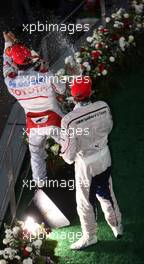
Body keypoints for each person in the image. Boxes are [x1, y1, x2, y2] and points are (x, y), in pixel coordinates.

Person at [60, 76, 122, 250]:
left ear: (73, 95)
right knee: (107, 192)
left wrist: (64, 152)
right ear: (90, 92)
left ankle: (90, 236)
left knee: (85, 202)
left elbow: (69, 156)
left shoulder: (69, 120)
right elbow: (109, 127)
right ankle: (116, 225)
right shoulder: (103, 105)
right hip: (104, 155)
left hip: (86, 164)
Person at [3, 32, 65, 186]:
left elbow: (6, 63)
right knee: (73, 149)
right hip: (55, 122)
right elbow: (62, 90)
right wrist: (45, 71)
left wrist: (7, 44)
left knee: (36, 156)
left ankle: (40, 186)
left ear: (15, 64)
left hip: (33, 126)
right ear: (30, 59)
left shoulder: (10, 82)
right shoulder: (46, 76)